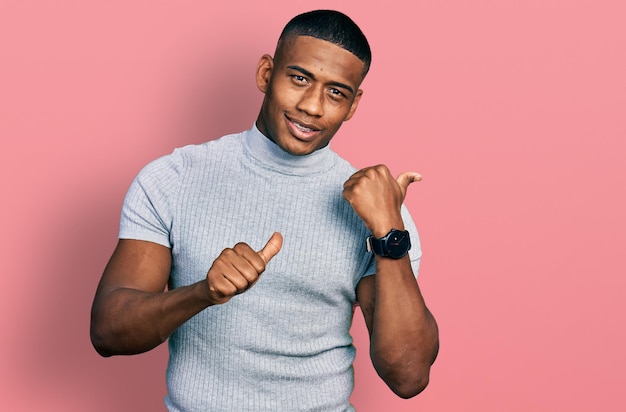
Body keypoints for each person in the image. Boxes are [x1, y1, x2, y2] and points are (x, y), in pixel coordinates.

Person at [90, 9, 438, 411]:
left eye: (336, 92)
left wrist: (388, 233)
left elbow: (409, 375)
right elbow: (107, 331)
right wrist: (202, 293)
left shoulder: (379, 209)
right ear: (265, 74)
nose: (312, 106)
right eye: (300, 78)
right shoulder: (173, 178)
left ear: (354, 104)